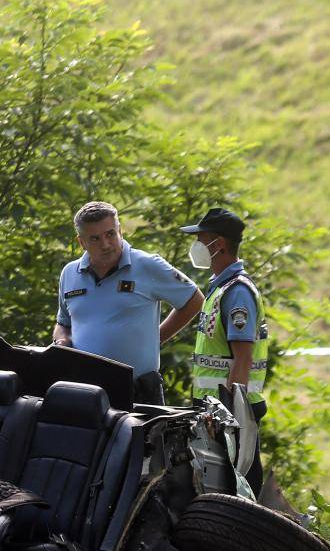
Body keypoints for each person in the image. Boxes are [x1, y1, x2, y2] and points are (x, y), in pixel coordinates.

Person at [53, 200, 204, 404]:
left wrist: (157, 337)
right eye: (95, 238)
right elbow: (63, 323)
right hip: (85, 392)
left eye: (110, 234)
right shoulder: (69, 273)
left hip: (138, 392)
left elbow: (194, 300)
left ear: (120, 231)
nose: (105, 244)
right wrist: (61, 341)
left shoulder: (147, 265)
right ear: (82, 242)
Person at [180, 206, 268, 491]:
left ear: (218, 245)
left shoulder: (237, 291)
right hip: (215, 408)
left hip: (230, 412)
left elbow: (243, 357)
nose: (196, 246)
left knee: (239, 486)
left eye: (200, 239)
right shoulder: (220, 287)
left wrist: (228, 417)